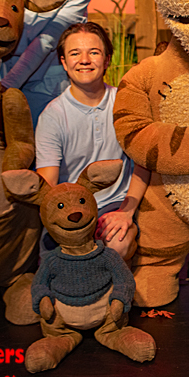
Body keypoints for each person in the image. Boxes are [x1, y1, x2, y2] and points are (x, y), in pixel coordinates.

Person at [35, 22, 150, 262]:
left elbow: (143, 163)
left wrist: (126, 212)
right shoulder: (53, 115)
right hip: (71, 209)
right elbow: (48, 183)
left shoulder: (125, 103)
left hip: (115, 204)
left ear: (107, 60)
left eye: (94, 52)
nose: (84, 60)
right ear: (64, 62)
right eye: (75, 53)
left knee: (117, 244)